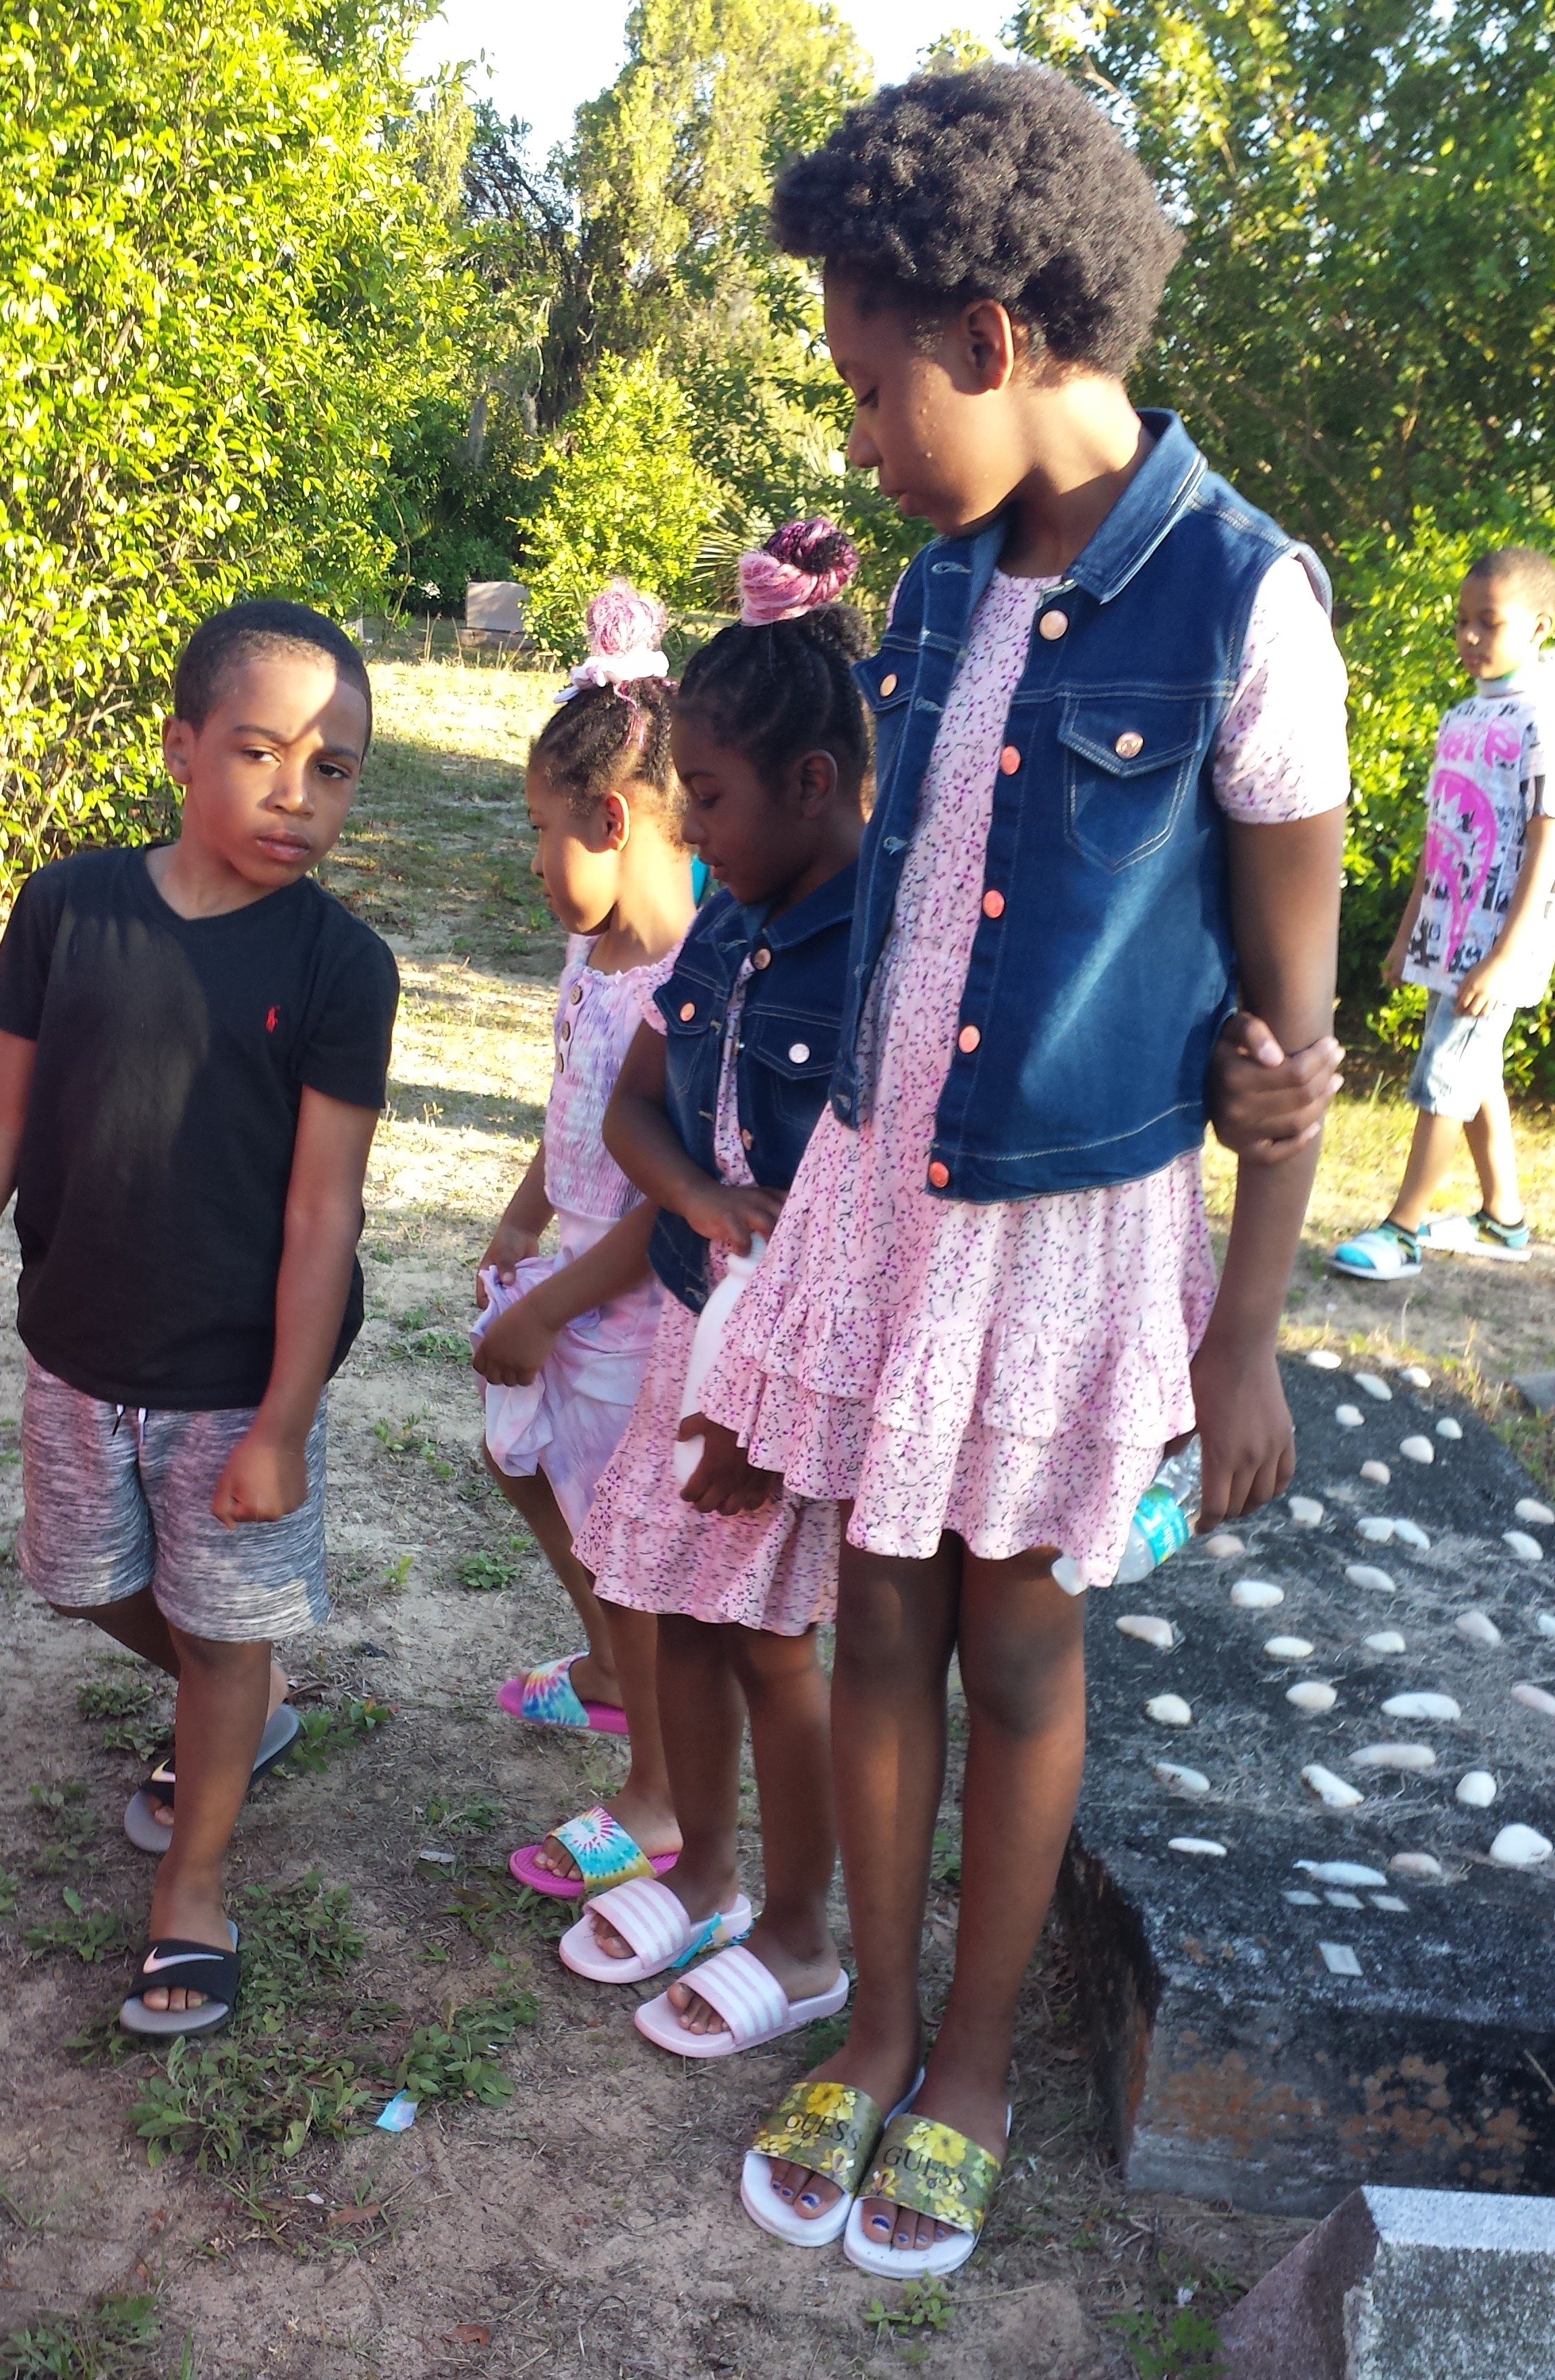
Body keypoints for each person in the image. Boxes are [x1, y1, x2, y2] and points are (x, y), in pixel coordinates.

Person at [696, 65, 1349, 2273]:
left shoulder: (1244, 601)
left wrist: (1240, 1333)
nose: (860, 437)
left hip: (1071, 1233)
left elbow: (1289, 1040)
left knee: (1017, 1641)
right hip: (891, 1189)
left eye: (870, 384)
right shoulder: (935, 586)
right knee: (874, 1605)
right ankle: (876, 2025)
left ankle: (972, 2060)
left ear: (985, 337)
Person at [0, 600, 398, 2037]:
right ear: (180, 748)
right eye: (261, 752)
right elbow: (4, 1120)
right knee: (87, 1584)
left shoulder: (341, 966)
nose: (298, 794)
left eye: (333, 769)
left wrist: (282, 1418)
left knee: (222, 1635)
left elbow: (323, 1212)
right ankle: (244, 1705)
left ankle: (195, 1880)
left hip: (237, 1372)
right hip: (78, 1341)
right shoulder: (65, 908)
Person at [553, 523, 861, 2045]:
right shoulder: (724, 924)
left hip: (792, 1359)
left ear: (812, 782)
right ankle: (704, 1872)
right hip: (694, 1318)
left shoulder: (877, 951)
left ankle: (801, 1937)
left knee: (767, 1642)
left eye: (713, 799)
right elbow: (635, 1110)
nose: (694, 830)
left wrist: (775, 1329)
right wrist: (696, 1196)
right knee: (665, 1602)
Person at [474, 582, 698, 1901]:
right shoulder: (597, 953)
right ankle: (610, 1670)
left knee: (633, 1551)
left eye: (540, 833)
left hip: (637, 1310)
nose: (533, 862)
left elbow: (674, 1204)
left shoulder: (686, 987)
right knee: (519, 1457)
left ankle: (659, 1798)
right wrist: (522, 1220)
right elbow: (570, 1100)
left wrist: (549, 1307)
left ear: (611, 822)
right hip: (575, 1285)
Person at [1332, 547, 1555, 1280]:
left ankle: (1402, 1229)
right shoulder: (1460, 717)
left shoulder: (1543, 716)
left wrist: (1505, 957)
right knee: (1471, 1069)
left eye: (1488, 622)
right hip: (1447, 932)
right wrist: (1407, 937)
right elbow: (1441, 835)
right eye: (1461, 622)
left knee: (1444, 1072)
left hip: (1499, 942)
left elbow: (1545, 841)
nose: (1469, 636)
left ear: (1539, 627)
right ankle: (1502, 1217)